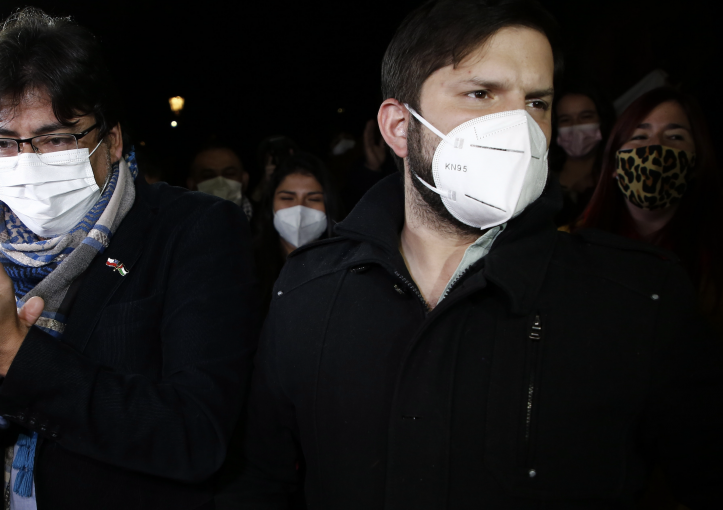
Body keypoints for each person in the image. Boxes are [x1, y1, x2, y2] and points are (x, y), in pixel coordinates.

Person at [216, 1, 723, 508]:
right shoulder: (308, 290)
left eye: (537, 103)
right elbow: (262, 480)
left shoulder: (635, 298)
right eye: (481, 94)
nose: (518, 127)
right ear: (398, 126)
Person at [0, 8, 259, 510]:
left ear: (111, 141)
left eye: (55, 139)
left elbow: (196, 437)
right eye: (5, 142)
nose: (28, 161)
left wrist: (10, 352)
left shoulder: (192, 231)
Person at [576, 87, 723, 337]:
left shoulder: (714, 260)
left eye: (675, 137)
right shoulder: (571, 244)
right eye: (640, 136)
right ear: (614, 164)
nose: (655, 148)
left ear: (697, 162)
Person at [254, 152, 338, 316]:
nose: (299, 209)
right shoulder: (250, 267)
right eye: (287, 198)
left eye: (313, 199)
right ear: (271, 205)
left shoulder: (346, 269)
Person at [549, 84, 615, 226]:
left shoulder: (616, 177)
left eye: (585, 117)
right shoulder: (541, 178)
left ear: (602, 120)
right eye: (565, 120)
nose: (576, 127)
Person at [187, 142, 254, 220]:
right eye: (209, 176)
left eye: (229, 173)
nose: (220, 182)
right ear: (191, 184)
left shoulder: (266, 221)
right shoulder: (179, 227)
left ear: (244, 179)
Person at [250, 135, 299, 204]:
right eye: (273, 153)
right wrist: (265, 182)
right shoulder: (260, 181)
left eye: (284, 152)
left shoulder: (306, 176)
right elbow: (252, 205)